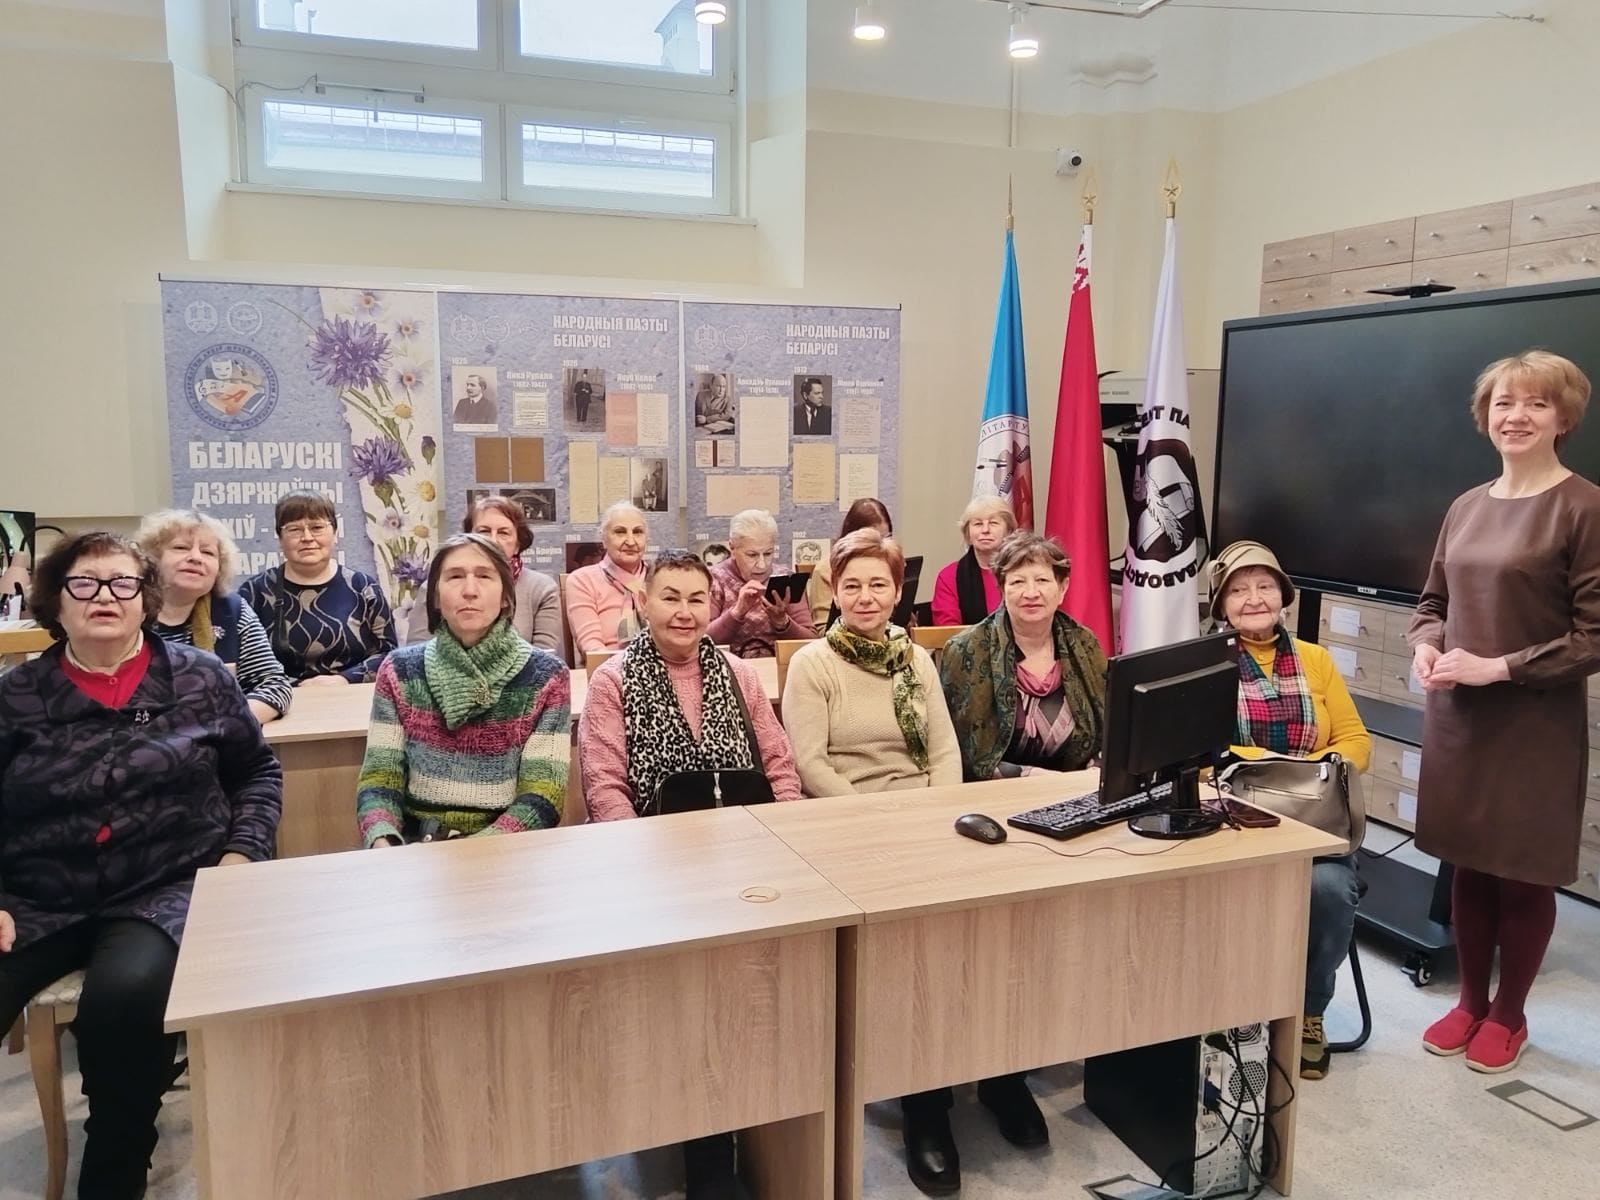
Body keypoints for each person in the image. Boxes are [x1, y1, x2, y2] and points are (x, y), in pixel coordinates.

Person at [0, 532, 282, 1198]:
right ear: (55, 601)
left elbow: (257, 774)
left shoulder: (200, 678)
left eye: (122, 583)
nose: (105, 596)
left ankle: (115, 1171)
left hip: (161, 887)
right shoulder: (16, 694)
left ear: (145, 598)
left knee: (125, 999)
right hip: (35, 894)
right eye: (84, 583)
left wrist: (240, 855)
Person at [576, 549, 800, 1200]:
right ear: (642, 602)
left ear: (713, 604)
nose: (684, 611)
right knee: (689, 1009)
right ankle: (703, 1149)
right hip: (655, 873)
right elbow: (604, 786)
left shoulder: (739, 673)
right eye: (669, 597)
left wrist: (788, 839)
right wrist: (646, 869)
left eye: (696, 598)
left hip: (745, 863)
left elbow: (779, 765)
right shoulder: (614, 680)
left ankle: (754, 1116)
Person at [1408, 350, 1600, 1073]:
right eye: (1504, 403)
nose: (1516, 416)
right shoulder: (1466, 505)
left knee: (1522, 872)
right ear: (1485, 416)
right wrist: (1426, 646)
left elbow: (1594, 635)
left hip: (1534, 724)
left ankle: (1510, 1014)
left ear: (1563, 417)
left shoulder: (1585, 507)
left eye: (1536, 403)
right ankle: (1469, 1002)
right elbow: (1431, 602)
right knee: (1468, 864)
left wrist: (1500, 666)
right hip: (1459, 719)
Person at [780, 530, 968, 1196]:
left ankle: (967, 1077)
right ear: (834, 591)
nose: (865, 597)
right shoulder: (814, 665)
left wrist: (935, 818)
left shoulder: (915, 659)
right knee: (904, 959)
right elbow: (811, 766)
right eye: (852, 585)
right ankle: (924, 1108)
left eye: (878, 585)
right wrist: (879, 824)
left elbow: (944, 751)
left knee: (953, 948)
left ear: (896, 593)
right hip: (848, 827)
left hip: (924, 822)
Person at [1206, 540, 1371, 1080]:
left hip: (1315, 818)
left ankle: (1309, 1010)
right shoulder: (1205, 661)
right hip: (1233, 817)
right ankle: (1230, 1008)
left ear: (1283, 596)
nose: (1254, 598)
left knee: (1328, 891)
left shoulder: (1316, 660)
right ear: (1222, 604)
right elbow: (1199, 753)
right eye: (1239, 589)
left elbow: (1356, 741)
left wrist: (1311, 770)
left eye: (1264, 586)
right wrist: (1280, 765)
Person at [357, 534, 569, 846]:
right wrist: (382, 840)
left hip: (508, 849)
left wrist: (475, 851)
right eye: (455, 577)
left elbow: (543, 794)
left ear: (506, 596)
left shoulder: (546, 675)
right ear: (435, 597)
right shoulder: (400, 670)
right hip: (416, 848)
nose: (470, 590)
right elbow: (379, 780)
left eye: (484, 576)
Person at [941, 531, 1106, 780]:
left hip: (1078, 787)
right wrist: (1034, 778)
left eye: (1042, 580)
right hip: (1001, 792)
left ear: (1062, 588)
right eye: (1018, 582)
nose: (1031, 593)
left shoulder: (1085, 642)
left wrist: (1093, 774)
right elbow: (963, 753)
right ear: (1002, 588)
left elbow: (1111, 728)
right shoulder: (965, 651)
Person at [137, 508, 293, 724]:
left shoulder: (232, 611)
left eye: (208, 552)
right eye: (181, 548)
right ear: (152, 558)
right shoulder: (126, 610)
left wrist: (224, 724)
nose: (195, 558)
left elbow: (274, 684)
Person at [239, 491, 396, 685]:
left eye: (317, 527)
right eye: (294, 529)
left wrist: (344, 679)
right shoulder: (255, 592)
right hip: (280, 699)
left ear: (335, 533)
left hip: (354, 696)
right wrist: (299, 686)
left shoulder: (363, 588)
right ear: (280, 539)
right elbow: (243, 663)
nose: (307, 537)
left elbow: (389, 654)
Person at [404, 495, 563, 653]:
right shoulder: (435, 586)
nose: (493, 540)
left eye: (503, 533)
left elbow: (545, 655)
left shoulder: (541, 588)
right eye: (484, 531)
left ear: (517, 545)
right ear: (468, 538)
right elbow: (416, 651)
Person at [708, 509, 816, 659]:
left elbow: (811, 642)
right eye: (752, 555)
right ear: (732, 548)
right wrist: (737, 613)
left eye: (768, 553)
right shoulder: (714, 579)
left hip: (779, 666)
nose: (762, 565)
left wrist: (782, 622)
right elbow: (700, 640)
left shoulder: (785, 578)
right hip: (729, 667)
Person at [565, 502, 649, 653]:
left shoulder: (660, 578)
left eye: (637, 532)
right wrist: (629, 665)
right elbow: (591, 646)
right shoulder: (582, 580)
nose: (631, 541)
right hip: (607, 666)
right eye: (620, 532)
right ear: (603, 539)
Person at [806, 497, 893, 630]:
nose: (879, 545)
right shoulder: (825, 570)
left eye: (885, 538)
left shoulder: (890, 564)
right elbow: (823, 629)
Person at [931, 495, 1017, 626]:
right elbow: (948, 631)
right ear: (968, 534)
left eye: (993, 523)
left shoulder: (1024, 571)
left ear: (1008, 531)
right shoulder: (949, 576)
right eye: (978, 524)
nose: (985, 530)